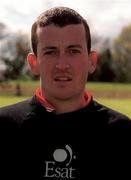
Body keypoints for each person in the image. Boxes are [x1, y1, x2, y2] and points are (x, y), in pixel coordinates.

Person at [0, 6, 131, 180]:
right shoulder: (4, 126)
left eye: (73, 51)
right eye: (51, 52)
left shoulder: (120, 131)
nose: (62, 65)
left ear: (91, 61)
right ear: (34, 63)